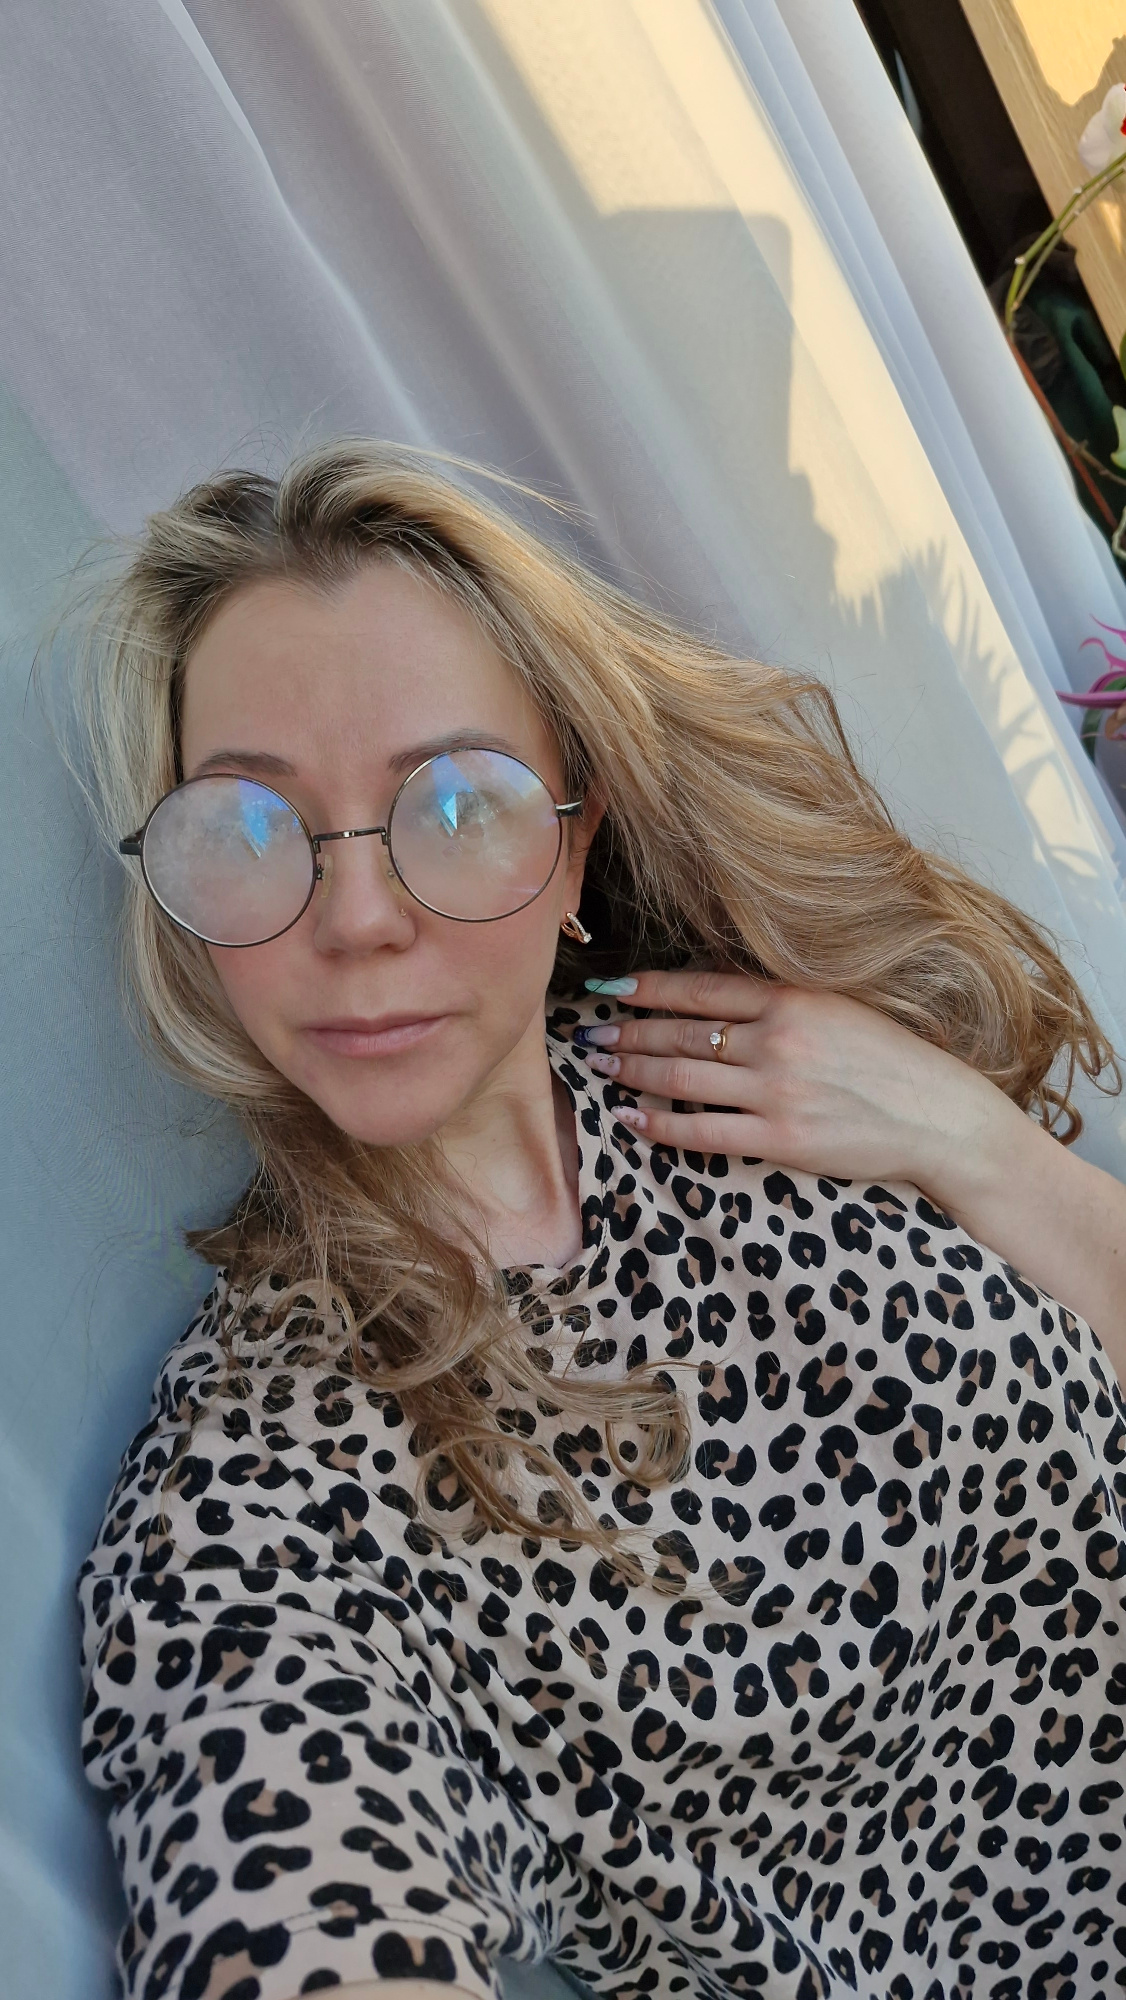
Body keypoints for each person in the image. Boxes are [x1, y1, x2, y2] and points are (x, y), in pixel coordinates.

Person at [71, 439, 1126, 2000]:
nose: (355, 919)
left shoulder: (777, 1061)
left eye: (454, 803)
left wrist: (979, 1145)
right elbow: (278, 1834)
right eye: (244, 828)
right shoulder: (268, 1479)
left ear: (575, 836)